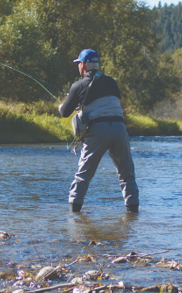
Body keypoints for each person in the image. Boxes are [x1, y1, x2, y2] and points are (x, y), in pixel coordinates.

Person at [58, 49, 139, 213]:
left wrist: (64, 103)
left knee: (84, 174)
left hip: (98, 130)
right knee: (126, 173)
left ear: (83, 65)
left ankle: (74, 213)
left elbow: (64, 112)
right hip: (119, 128)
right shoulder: (112, 83)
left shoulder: (78, 85)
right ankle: (132, 212)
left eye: (78, 64)